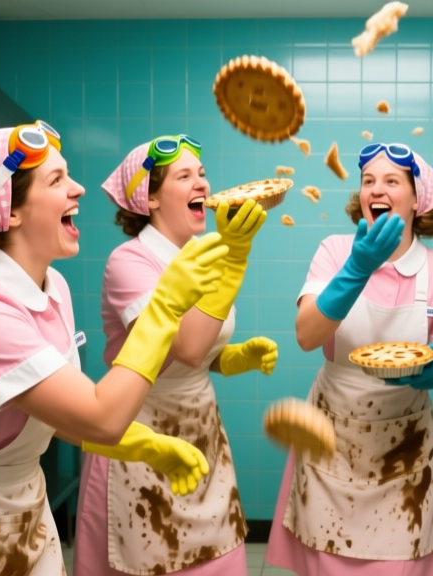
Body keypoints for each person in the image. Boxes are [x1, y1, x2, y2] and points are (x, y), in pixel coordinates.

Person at [0, 123, 226, 574]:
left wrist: (143, 444)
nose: (79, 188)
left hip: (25, 506)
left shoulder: (55, 289)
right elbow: (100, 416)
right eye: (56, 180)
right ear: (9, 212)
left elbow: (64, 411)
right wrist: (165, 307)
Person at [74, 135, 279, 575]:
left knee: (216, 559)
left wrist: (233, 357)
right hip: (140, 438)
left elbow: (201, 353)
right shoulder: (129, 261)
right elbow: (184, 348)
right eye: (184, 176)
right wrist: (235, 262)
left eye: (202, 174)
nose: (201, 184)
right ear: (148, 198)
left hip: (202, 432)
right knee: (150, 557)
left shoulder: (200, 253)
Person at [264, 143, 433, 575]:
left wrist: (431, 374)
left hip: (407, 446)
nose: (376, 189)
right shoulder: (336, 252)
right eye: (368, 181)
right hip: (332, 435)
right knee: (328, 558)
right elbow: (306, 335)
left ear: (418, 200)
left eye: (392, 181)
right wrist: (357, 268)